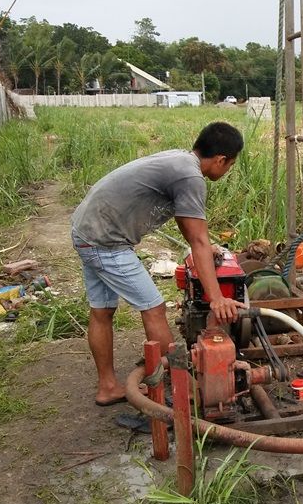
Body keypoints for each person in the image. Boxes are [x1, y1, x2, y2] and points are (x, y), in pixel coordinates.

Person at [70, 122, 247, 406]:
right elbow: (198, 242)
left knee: (101, 311)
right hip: (105, 240)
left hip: (88, 229)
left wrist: (205, 244)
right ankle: (184, 388)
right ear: (221, 159)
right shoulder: (191, 177)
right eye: (230, 165)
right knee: (154, 308)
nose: (227, 171)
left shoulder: (180, 162)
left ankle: (108, 387)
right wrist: (216, 298)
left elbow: (190, 227)